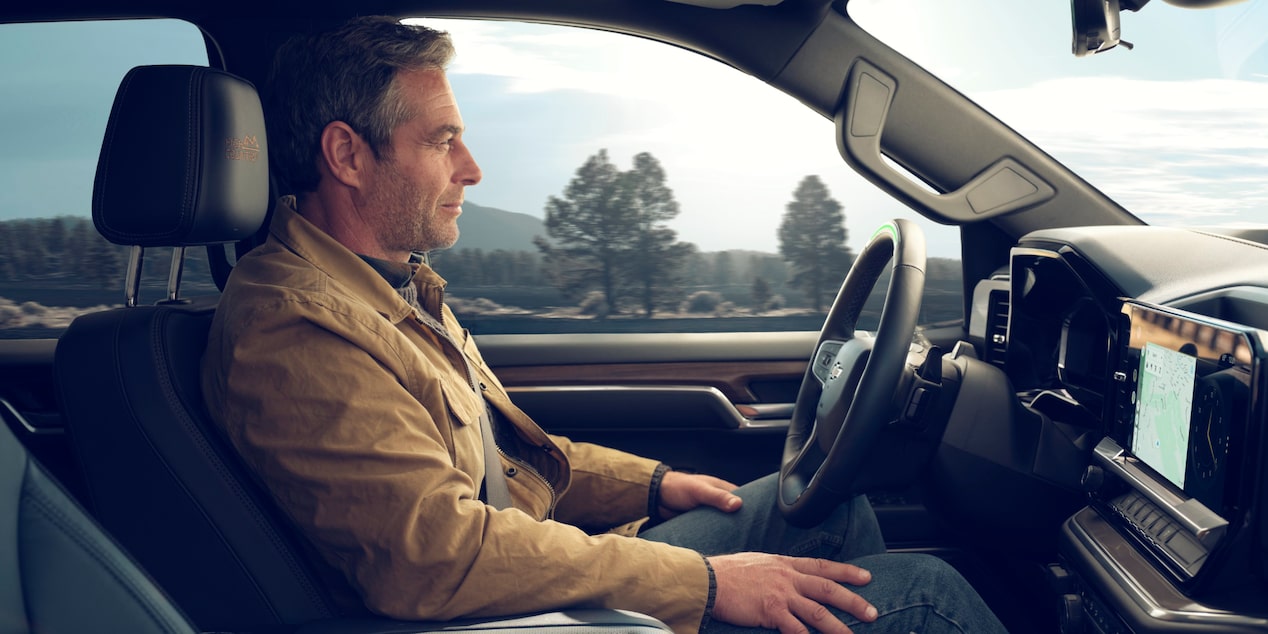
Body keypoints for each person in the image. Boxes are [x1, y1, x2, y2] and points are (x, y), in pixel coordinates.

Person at [201, 16, 1007, 634]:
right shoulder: (294, 327)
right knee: (926, 599)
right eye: (444, 140)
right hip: (504, 621)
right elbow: (432, 555)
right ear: (346, 155)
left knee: (825, 512)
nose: (472, 170)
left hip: (521, 591)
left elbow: (508, 457)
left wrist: (654, 485)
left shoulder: (390, 289)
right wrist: (714, 586)